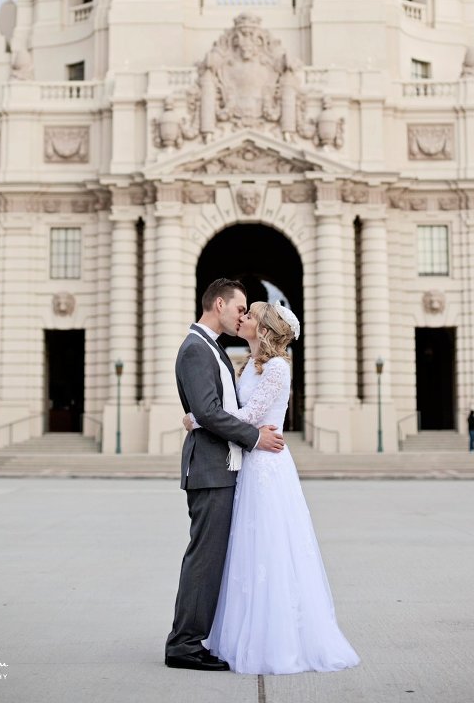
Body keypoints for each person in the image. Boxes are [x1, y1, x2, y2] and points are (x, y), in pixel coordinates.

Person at [183, 301, 360, 675]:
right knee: (245, 551)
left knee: (269, 549)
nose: (243, 317)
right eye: (242, 311)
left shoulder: (278, 368)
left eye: (251, 314)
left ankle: (274, 640)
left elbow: (249, 416)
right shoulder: (249, 366)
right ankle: (239, 633)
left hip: (266, 465)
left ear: (264, 329)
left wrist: (196, 419)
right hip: (248, 462)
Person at [165, 279, 285, 672]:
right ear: (219, 304)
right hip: (211, 469)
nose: (242, 315)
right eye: (240, 307)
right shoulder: (196, 349)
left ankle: (196, 637)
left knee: (214, 559)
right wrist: (254, 438)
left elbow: (210, 411)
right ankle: (183, 643)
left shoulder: (212, 348)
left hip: (223, 466)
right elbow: (211, 412)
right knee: (204, 558)